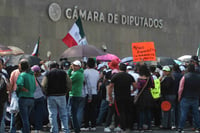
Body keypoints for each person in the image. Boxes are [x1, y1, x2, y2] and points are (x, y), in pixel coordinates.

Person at [42, 62, 72, 133]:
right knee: (63, 113)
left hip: (51, 96)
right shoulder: (64, 73)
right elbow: (69, 83)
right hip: (62, 95)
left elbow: (43, 85)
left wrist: (46, 93)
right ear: (58, 66)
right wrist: (67, 91)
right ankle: (66, 129)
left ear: (50, 67)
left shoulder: (48, 74)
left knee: (52, 114)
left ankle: (54, 130)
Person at [108, 63, 137, 132]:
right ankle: (128, 126)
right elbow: (135, 86)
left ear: (119, 68)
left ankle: (122, 126)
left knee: (120, 112)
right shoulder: (129, 76)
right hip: (128, 96)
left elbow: (110, 87)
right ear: (125, 69)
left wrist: (110, 96)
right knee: (128, 112)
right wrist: (132, 90)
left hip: (118, 97)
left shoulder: (115, 76)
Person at [178, 64, 200, 133]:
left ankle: (181, 128)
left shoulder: (185, 77)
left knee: (184, 113)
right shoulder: (199, 77)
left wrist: (179, 97)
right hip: (195, 97)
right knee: (196, 113)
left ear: (188, 69)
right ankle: (198, 127)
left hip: (185, 97)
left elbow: (181, 89)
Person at [16, 59, 36, 133]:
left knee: (24, 119)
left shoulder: (22, 75)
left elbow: (19, 84)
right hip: (31, 98)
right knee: (27, 117)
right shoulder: (31, 75)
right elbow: (34, 87)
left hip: (23, 98)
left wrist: (21, 90)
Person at [81, 58, 99, 131]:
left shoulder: (85, 72)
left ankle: (86, 125)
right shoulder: (97, 72)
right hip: (95, 92)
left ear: (87, 64)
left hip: (87, 92)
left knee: (86, 110)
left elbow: (83, 82)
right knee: (93, 110)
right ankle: (93, 125)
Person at [136, 65, 154, 131]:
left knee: (141, 112)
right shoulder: (150, 77)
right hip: (149, 94)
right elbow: (153, 86)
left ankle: (141, 126)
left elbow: (138, 87)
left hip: (141, 95)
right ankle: (149, 126)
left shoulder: (140, 78)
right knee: (148, 111)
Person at [67, 60, 84, 133]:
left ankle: (76, 129)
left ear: (78, 66)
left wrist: (69, 70)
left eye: (75, 65)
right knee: (74, 112)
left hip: (74, 94)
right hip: (76, 94)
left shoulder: (77, 74)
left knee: (72, 113)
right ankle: (76, 128)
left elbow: (68, 79)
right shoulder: (79, 73)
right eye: (73, 65)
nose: (73, 67)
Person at [31, 65, 46, 132]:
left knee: (31, 113)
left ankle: (32, 125)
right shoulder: (43, 77)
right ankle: (38, 127)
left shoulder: (30, 78)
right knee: (39, 113)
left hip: (32, 97)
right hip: (40, 96)